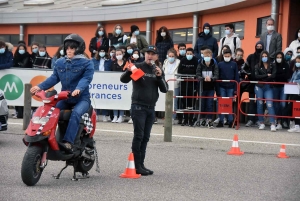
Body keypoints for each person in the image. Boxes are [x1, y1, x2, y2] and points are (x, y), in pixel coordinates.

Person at [30, 34, 94, 151]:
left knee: (75, 114)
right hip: (64, 97)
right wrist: (40, 87)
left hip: (82, 98)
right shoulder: (60, 62)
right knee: (51, 112)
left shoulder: (87, 63)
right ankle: (48, 136)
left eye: (72, 48)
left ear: (79, 49)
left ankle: (68, 142)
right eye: (67, 48)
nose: (69, 51)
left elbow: (86, 79)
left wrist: (78, 89)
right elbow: (54, 78)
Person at [120, 45, 168, 176]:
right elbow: (123, 80)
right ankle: (135, 165)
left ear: (157, 57)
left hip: (151, 108)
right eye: (148, 53)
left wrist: (159, 76)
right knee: (139, 136)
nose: (150, 56)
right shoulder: (137, 66)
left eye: (153, 54)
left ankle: (141, 164)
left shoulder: (157, 69)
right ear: (144, 55)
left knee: (145, 137)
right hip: (138, 107)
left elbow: (164, 89)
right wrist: (129, 70)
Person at [243, 41, 264, 127]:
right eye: (257, 46)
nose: (259, 47)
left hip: (261, 83)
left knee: (260, 102)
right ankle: (251, 119)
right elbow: (244, 68)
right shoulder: (250, 57)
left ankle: (259, 120)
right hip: (252, 82)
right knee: (251, 101)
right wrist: (249, 74)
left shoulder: (265, 57)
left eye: (260, 46)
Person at [196, 48, 219, 128]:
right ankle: (202, 119)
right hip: (202, 87)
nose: (207, 57)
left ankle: (209, 119)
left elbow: (216, 75)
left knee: (209, 104)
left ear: (211, 56)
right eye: (205, 55)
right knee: (202, 103)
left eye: (208, 55)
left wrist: (211, 79)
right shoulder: (200, 64)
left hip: (211, 87)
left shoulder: (214, 65)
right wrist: (203, 79)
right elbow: (198, 75)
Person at [216, 49, 239, 128]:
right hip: (222, 87)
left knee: (229, 104)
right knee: (221, 104)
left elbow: (236, 77)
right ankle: (221, 121)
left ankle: (230, 121)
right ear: (223, 56)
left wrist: (236, 90)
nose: (227, 57)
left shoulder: (234, 64)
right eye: (225, 56)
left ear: (231, 56)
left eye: (228, 56)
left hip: (231, 87)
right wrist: (217, 90)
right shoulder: (220, 64)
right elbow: (217, 77)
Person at [254, 50, 276, 132]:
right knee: (259, 104)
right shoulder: (257, 66)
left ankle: (273, 123)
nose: (264, 58)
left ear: (268, 57)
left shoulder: (272, 65)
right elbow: (256, 76)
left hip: (268, 87)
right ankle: (261, 122)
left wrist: (264, 77)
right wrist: (266, 75)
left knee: (270, 104)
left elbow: (273, 75)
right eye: (263, 56)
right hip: (259, 86)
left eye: (265, 56)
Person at [177, 47, 198, 126]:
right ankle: (185, 119)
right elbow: (180, 71)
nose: (189, 55)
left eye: (190, 54)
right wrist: (188, 72)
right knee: (184, 102)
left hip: (192, 85)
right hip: (184, 84)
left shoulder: (195, 60)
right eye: (187, 54)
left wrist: (187, 71)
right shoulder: (183, 60)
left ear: (193, 54)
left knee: (191, 102)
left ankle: (191, 119)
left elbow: (196, 71)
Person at [91, 46, 112, 122]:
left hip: (106, 81)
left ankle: (104, 114)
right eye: (100, 51)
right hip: (97, 81)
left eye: (103, 51)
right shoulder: (93, 60)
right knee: (96, 97)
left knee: (105, 98)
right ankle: (95, 114)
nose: (102, 53)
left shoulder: (109, 61)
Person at [163, 48, 181, 124]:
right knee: (166, 101)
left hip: (175, 84)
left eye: (172, 56)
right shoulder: (165, 62)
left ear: (175, 56)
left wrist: (177, 80)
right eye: (169, 56)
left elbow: (179, 73)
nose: (171, 57)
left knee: (174, 101)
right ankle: (167, 116)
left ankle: (173, 117)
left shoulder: (178, 62)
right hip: (166, 83)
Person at [273, 52, 289, 130]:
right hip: (275, 87)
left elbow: (286, 76)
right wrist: (280, 75)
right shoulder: (273, 65)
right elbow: (273, 75)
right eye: (277, 57)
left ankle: (281, 120)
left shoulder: (286, 65)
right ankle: (278, 121)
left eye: (280, 57)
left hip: (283, 87)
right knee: (276, 104)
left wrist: (278, 75)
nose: (279, 59)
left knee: (283, 104)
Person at [111, 49, 126, 123]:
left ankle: (121, 116)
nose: (118, 56)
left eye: (119, 54)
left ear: (122, 54)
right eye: (116, 54)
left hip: (124, 85)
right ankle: (115, 116)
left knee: (122, 100)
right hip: (115, 85)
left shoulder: (126, 63)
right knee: (115, 100)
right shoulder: (113, 63)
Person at [287, 55, 300, 132]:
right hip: (293, 91)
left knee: (296, 109)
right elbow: (291, 80)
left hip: (298, 92)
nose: (297, 63)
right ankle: (294, 124)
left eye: (299, 62)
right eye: (297, 62)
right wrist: (290, 83)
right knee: (291, 107)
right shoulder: (295, 71)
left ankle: (297, 125)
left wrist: (295, 82)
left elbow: (296, 81)